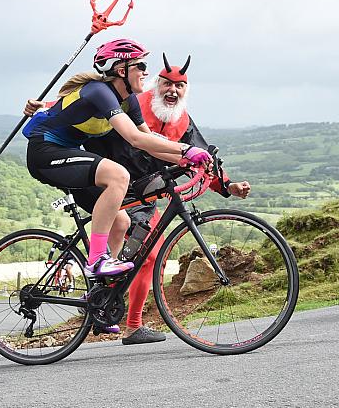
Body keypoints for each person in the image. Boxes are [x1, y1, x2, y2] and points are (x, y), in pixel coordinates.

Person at [22, 39, 211, 331]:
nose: (145, 72)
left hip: (66, 154)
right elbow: (134, 138)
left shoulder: (128, 100)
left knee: (121, 221)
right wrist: (185, 150)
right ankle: (97, 259)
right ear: (121, 69)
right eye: (140, 66)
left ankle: (98, 304)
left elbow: (149, 142)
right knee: (118, 176)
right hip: (45, 153)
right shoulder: (100, 91)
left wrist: (185, 158)